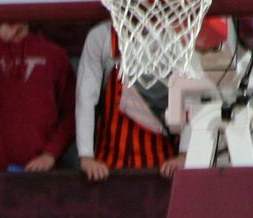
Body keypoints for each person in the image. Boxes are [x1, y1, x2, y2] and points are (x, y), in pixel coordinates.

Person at [0, 20, 74, 173]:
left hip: (43, 172)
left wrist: (50, 154)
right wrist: (0, 41)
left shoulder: (54, 54)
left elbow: (72, 111)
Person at [75, 20, 181, 180]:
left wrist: (185, 154)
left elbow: (191, 99)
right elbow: (85, 99)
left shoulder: (178, 36)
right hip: (108, 164)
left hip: (162, 164)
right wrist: (86, 157)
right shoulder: (102, 36)